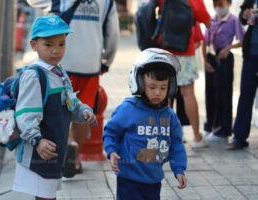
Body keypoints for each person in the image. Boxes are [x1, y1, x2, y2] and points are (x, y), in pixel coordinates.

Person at [26, 0, 120, 176]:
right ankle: (75, 158)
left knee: (59, 110)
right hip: (90, 65)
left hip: (60, 62)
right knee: (82, 113)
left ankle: (65, 145)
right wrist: (107, 61)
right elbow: (113, 33)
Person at [12, 15, 97, 200]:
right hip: (39, 151)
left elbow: (69, 102)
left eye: (61, 44)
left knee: (48, 196)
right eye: (48, 45)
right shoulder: (34, 76)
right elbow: (26, 114)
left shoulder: (60, 72)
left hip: (53, 151)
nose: (56, 51)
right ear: (34, 45)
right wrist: (37, 141)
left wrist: (83, 111)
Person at [103, 48, 187, 200]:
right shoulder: (129, 109)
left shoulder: (169, 116)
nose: (157, 93)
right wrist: (111, 151)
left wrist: (179, 168)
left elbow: (176, 144)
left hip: (154, 180)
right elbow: (110, 132)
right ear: (139, 84)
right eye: (152, 87)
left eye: (163, 88)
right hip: (128, 180)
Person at [158, 0, 212, 148]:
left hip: (164, 50)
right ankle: (196, 137)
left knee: (164, 94)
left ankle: (164, 138)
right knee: (188, 94)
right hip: (185, 51)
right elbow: (207, 22)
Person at [202, 0, 244, 143]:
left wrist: (229, 48)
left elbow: (242, 39)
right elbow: (204, 40)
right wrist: (204, 60)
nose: (218, 7)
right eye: (216, 4)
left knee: (223, 94)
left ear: (229, 3)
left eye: (221, 4)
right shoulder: (211, 19)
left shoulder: (233, 20)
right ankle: (210, 126)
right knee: (210, 93)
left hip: (224, 57)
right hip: (210, 57)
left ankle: (223, 130)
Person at [226, 0, 258, 150]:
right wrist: (245, 14)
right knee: (245, 94)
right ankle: (239, 137)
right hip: (251, 53)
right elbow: (242, 17)